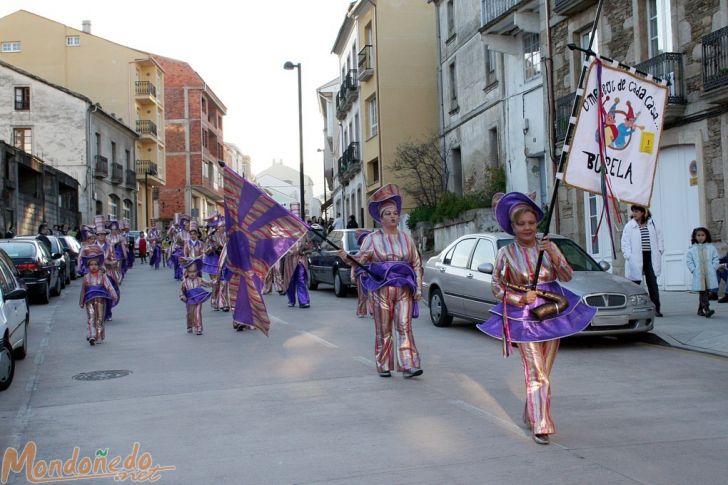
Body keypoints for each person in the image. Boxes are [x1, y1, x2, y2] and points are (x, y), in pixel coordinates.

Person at [477, 192, 596, 445]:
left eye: (531, 223)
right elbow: (496, 287)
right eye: (521, 224)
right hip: (525, 318)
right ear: (513, 227)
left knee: (545, 371)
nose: (527, 228)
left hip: (553, 312)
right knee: (536, 372)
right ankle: (542, 424)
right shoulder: (505, 253)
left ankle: (531, 411)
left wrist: (554, 252)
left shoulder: (547, 246)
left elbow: (566, 277)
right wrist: (519, 299)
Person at [342, 184, 423, 379]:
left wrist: (418, 287)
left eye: (395, 213)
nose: (393, 216)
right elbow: (360, 260)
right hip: (381, 290)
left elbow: (416, 263)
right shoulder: (372, 239)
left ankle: (409, 364)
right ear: (380, 217)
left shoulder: (407, 239)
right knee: (383, 329)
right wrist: (347, 258)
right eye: (388, 213)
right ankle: (384, 364)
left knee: (404, 327)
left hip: (404, 289)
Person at [621, 205, 664, 316]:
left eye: (637, 211)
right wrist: (628, 255)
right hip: (636, 257)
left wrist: (660, 250)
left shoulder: (652, 224)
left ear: (643, 212)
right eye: (633, 211)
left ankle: (656, 308)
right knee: (634, 284)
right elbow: (625, 242)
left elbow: (659, 237)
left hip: (650, 256)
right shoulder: (629, 226)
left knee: (652, 283)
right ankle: (632, 309)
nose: (634, 214)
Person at [79, 253, 118, 345]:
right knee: (91, 317)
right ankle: (92, 335)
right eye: (91, 265)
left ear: (99, 266)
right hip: (89, 300)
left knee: (100, 318)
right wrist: (81, 302)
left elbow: (109, 286)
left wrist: (114, 295)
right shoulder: (86, 277)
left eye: (95, 264)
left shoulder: (102, 276)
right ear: (88, 266)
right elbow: (83, 291)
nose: (93, 267)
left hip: (100, 299)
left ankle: (99, 335)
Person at [686, 227, 722, 318]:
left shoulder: (711, 248)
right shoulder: (692, 249)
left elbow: (715, 259)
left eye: (703, 235)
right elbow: (689, 261)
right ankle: (707, 309)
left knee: (705, 291)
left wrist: (713, 268)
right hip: (699, 275)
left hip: (709, 274)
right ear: (695, 236)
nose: (701, 237)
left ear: (706, 236)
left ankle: (699, 310)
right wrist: (693, 270)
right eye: (698, 235)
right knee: (703, 292)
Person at [179, 261, 213, 335]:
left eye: (194, 272)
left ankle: (199, 327)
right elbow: (181, 290)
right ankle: (189, 325)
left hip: (199, 298)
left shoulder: (199, 279)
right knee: (190, 313)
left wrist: (212, 282)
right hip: (189, 299)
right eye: (190, 272)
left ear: (197, 272)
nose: (192, 274)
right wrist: (182, 296)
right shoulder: (184, 282)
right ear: (187, 272)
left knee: (197, 312)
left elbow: (207, 284)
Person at [281, 238, 311, 308]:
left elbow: (309, 247)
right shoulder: (287, 233)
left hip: (301, 260)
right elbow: (282, 248)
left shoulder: (304, 233)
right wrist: (291, 251)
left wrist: (304, 250)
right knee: (290, 281)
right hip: (290, 260)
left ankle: (303, 301)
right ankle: (291, 300)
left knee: (301, 279)